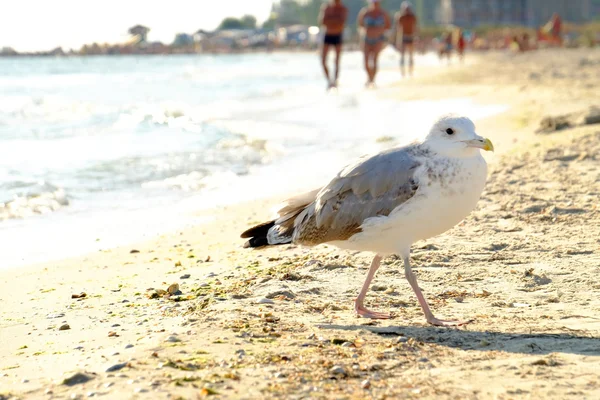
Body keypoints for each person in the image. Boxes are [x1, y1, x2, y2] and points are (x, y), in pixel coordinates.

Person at [358, 0, 391, 87]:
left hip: (378, 39)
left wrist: (380, 30)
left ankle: (372, 80)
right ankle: (369, 77)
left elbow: (388, 26)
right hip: (366, 39)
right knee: (366, 61)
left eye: (376, 3)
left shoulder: (383, 13)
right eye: (373, 3)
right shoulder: (365, 12)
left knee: (375, 60)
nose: (375, 5)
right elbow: (360, 25)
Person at [319, 0, 348, 89]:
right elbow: (322, 22)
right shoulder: (327, 7)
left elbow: (341, 23)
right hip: (328, 35)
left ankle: (335, 81)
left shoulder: (343, 8)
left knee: (337, 60)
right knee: (323, 60)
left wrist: (330, 21)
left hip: (338, 35)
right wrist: (334, 21)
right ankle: (329, 81)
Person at [394, 1, 418, 76]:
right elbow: (398, 29)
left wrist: (416, 38)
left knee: (410, 55)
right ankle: (402, 71)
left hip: (410, 36)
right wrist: (398, 40)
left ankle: (410, 71)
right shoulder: (400, 17)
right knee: (402, 55)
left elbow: (415, 28)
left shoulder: (412, 17)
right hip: (403, 37)